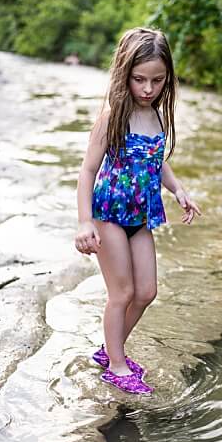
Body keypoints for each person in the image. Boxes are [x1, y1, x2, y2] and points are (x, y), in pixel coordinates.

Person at [74, 28, 201, 396]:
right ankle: (116, 364)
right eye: (139, 79)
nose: (148, 88)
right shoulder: (113, 117)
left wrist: (178, 190)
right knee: (123, 291)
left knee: (146, 291)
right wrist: (85, 221)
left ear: (167, 79)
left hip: (141, 216)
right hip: (110, 213)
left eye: (157, 80)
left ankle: (108, 349)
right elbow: (87, 171)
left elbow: (156, 162)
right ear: (124, 74)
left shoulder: (157, 118)